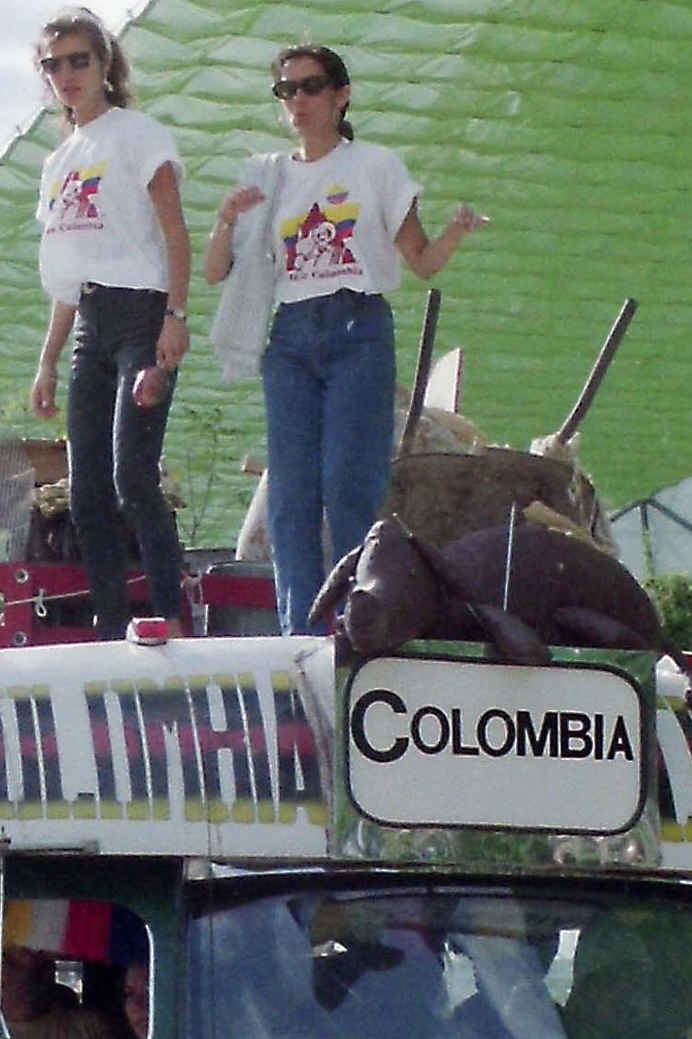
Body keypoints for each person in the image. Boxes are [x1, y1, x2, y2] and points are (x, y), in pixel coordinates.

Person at [203, 43, 488, 634]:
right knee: (290, 493)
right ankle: (301, 630)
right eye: (287, 90)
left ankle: (360, 619)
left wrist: (458, 232)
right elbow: (215, 271)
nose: (298, 101)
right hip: (289, 333)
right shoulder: (268, 173)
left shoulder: (375, 166)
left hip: (358, 325)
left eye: (310, 87)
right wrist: (226, 218)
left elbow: (422, 261)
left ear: (341, 95)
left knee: (348, 484)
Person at [28, 7, 190, 638]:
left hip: (143, 312)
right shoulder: (58, 162)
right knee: (86, 490)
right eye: (53, 64)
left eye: (79, 60)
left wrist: (175, 316)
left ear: (105, 66)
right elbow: (68, 273)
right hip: (90, 320)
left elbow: (175, 228)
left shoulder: (137, 133)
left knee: (133, 474)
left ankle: (171, 614)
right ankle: (111, 623)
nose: (66, 75)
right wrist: (47, 359)